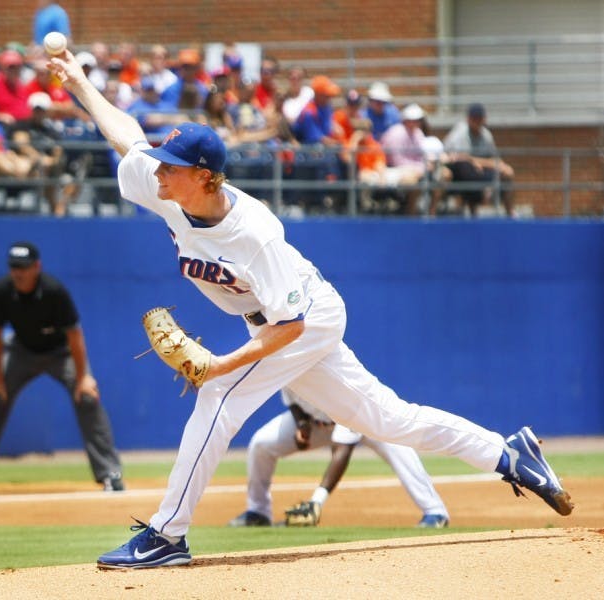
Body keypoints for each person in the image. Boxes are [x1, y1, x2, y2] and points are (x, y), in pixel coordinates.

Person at [46, 50, 572, 569]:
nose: (159, 170)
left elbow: (291, 325)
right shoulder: (167, 190)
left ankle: (167, 535)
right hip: (278, 322)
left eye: (174, 166)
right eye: (163, 162)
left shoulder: (255, 234)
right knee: (388, 419)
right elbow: (126, 137)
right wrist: (78, 83)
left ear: (206, 177)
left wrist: (219, 366)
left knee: (219, 398)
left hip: (307, 318)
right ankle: (508, 454)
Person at [0, 241, 124, 493]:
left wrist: (82, 379)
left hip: (61, 353)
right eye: (13, 267)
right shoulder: (0, 291)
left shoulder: (54, 291)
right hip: (21, 351)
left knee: (88, 398)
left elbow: (75, 336)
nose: (18, 273)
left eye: (23, 267)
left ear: (37, 267)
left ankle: (110, 473)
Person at [228, 390, 449, 528]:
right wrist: (302, 424)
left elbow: (341, 451)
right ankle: (258, 512)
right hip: (318, 424)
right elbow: (291, 398)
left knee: (398, 448)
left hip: (366, 417)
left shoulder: (339, 388)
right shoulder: (291, 365)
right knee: (261, 444)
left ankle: (435, 512)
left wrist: (316, 502)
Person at [443, 103, 515, 217]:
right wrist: (477, 162)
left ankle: (510, 213)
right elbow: (459, 157)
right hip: (456, 170)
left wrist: (479, 162)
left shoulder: (486, 135)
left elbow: (494, 158)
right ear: (468, 118)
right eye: (474, 118)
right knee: (466, 168)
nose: (477, 121)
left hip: (479, 170)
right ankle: (470, 209)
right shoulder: (461, 132)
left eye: (479, 118)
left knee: (507, 172)